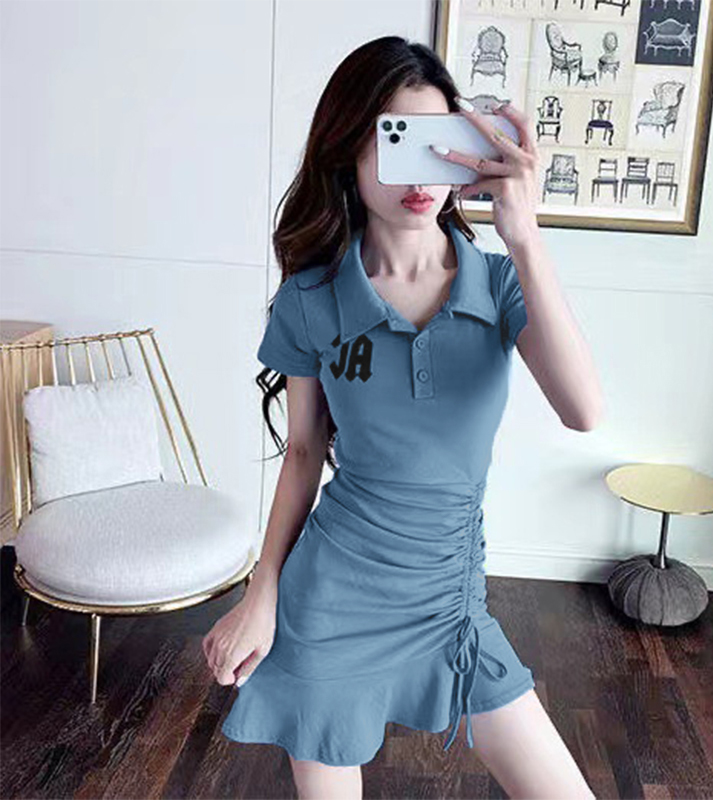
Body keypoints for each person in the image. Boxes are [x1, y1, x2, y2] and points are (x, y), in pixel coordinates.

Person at [203, 35, 602, 800]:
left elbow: (583, 410)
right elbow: (303, 454)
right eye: (396, 143)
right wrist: (263, 593)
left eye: (437, 143)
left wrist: (525, 235)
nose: (421, 177)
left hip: (452, 607)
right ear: (350, 156)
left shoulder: (501, 284)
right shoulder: (311, 298)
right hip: (330, 604)